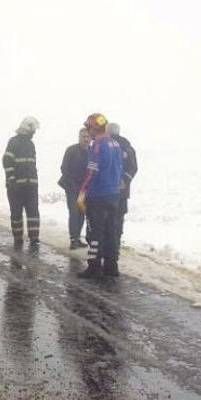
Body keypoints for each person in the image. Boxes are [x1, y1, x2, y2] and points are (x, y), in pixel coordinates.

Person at [77, 113, 123, 278]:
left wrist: (82, 193)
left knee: (94, 232)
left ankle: (94, 266)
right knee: (111, 230)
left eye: (89, 128)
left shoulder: (97, 145)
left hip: (97, 195)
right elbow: (120, 169)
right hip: (114, 195)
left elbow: (91, 171)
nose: (88, 132)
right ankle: (112, 266)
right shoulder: (116, 144)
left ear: (94, 128)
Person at [2, 117, 40, 248]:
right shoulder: (13, 142)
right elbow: (7, 161)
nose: (34, 133)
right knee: (16, 213)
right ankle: (18, 238)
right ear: (28, 129)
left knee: (33, 213)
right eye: (33, 130)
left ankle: (34, 237)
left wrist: (35, 181)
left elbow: (32, 164)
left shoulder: (30, 144)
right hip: (16, 187)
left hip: (31, 186)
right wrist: (12, 179)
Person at [106, 122, 138, 248]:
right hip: (122, 191)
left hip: (107, 190)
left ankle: (110, 244)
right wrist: (125, 180)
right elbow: (133, 167)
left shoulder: (106, 145)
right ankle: (116, 243)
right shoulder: (128, 147)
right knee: (118, 218)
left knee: (108, 218)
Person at [59, 128, 91, 249]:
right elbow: (64, 168)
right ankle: (73, 239)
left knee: (82, 213)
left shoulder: (92, 151)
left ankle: (77, 237)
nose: (86, 139)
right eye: (83, 136)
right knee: (74, 213)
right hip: (72, 188)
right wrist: (72, 184)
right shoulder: (71, 150)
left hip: (84, 190)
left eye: (88, 137)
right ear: (79, 137)